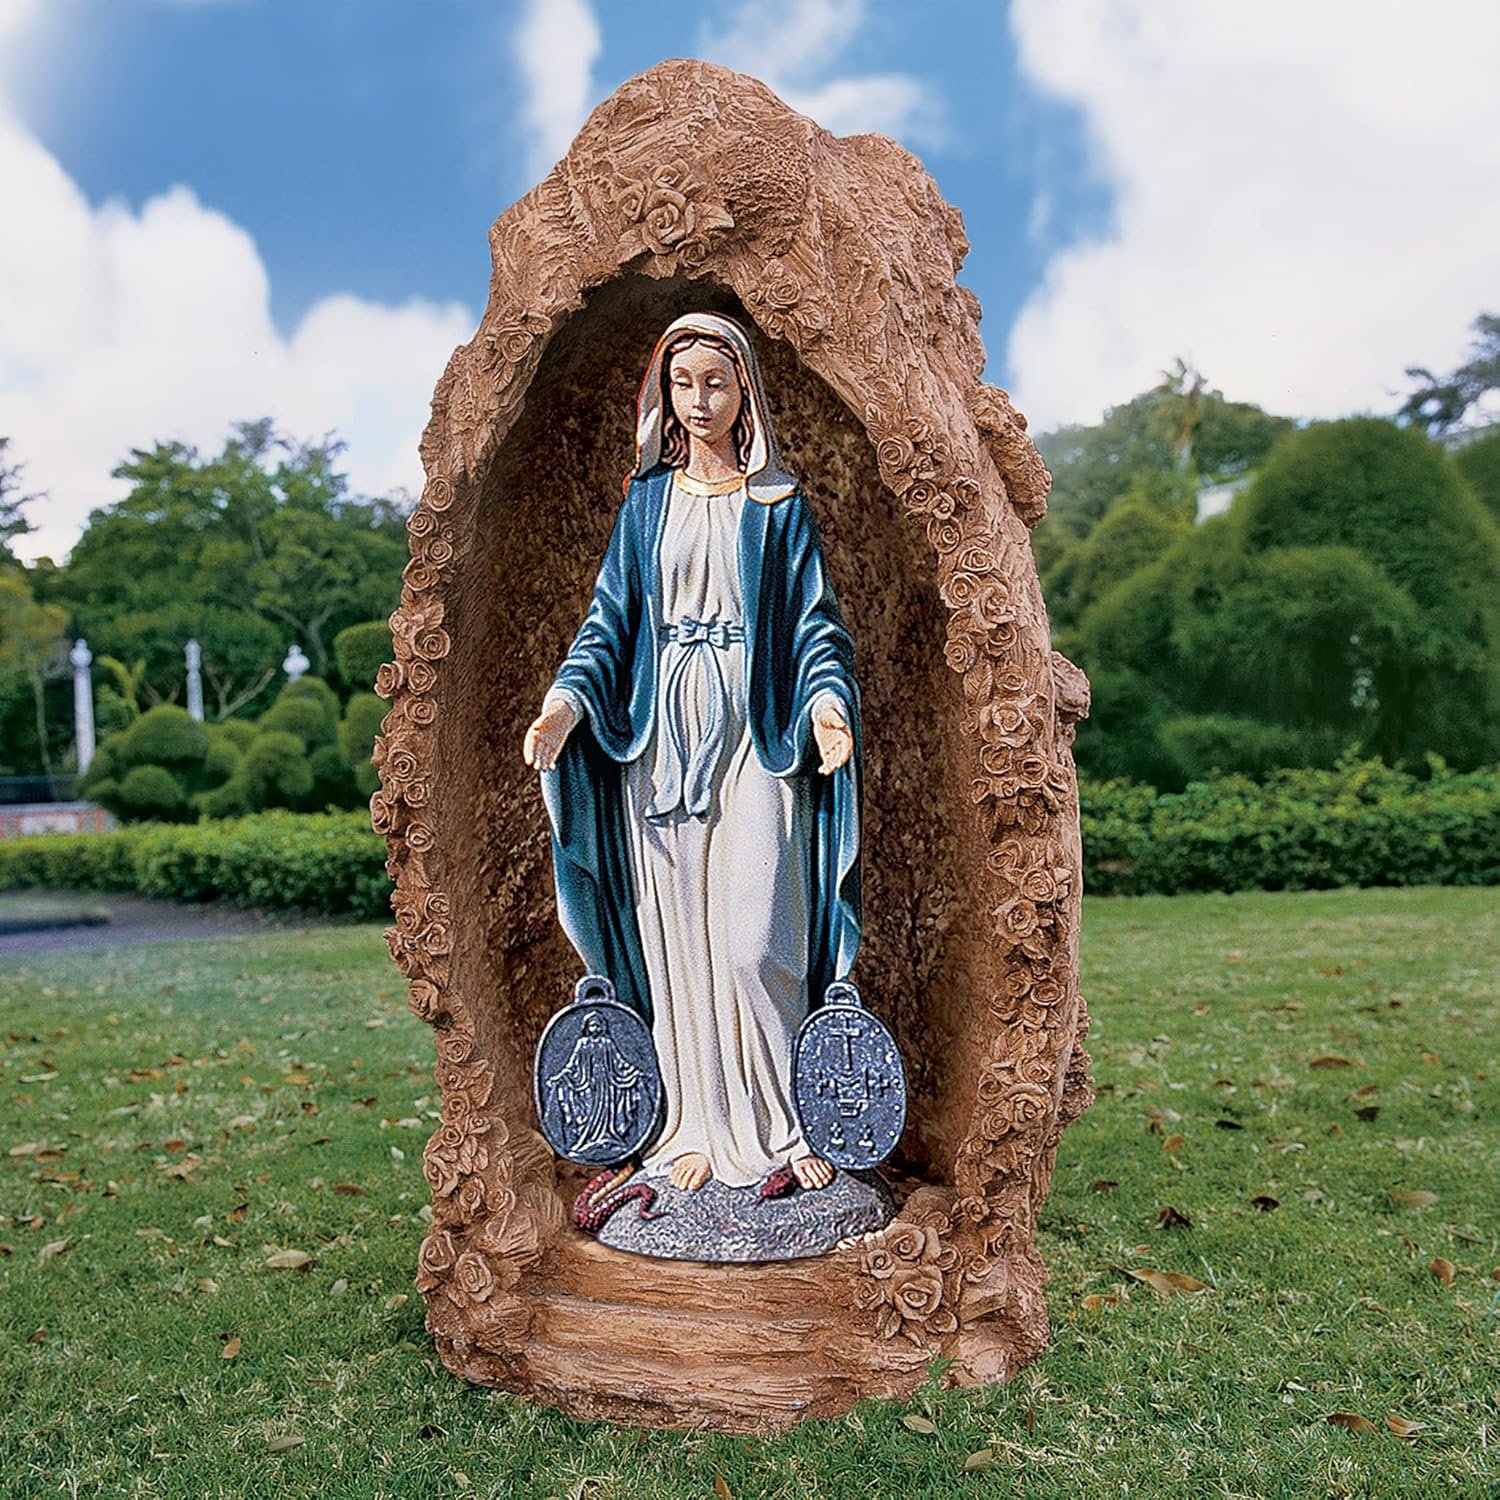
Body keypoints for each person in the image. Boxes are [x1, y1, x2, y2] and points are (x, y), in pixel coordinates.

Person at [524, 311, 861, 1195]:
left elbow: (816, 629)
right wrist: (565, 705)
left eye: (716, 382)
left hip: (754, 732)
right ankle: (694, 1127)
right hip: (662, 745)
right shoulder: (646, 505)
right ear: (663, 395)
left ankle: (783, 1124)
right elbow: (609, 623)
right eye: (684, 384)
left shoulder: (778, 509)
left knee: (754, 939)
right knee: (679, 942)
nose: (700, 400)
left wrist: (827, 709)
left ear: (745, 390)